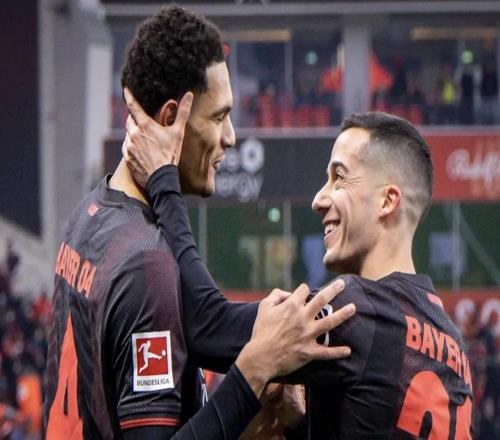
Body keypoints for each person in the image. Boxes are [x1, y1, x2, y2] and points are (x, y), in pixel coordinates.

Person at [43, 6, 355, 440]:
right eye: (218, 116)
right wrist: (249, 378)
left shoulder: (87, 216)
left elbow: (207, 329)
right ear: (170, 118)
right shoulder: (146, 266)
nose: (231, 136)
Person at [124, 94, 475, 437]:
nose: (319, 199)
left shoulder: (352, 312)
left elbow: (208, 327)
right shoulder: (453, 345)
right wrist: (298, 427)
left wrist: (163, 182)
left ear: (387, 200)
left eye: (339, 177)